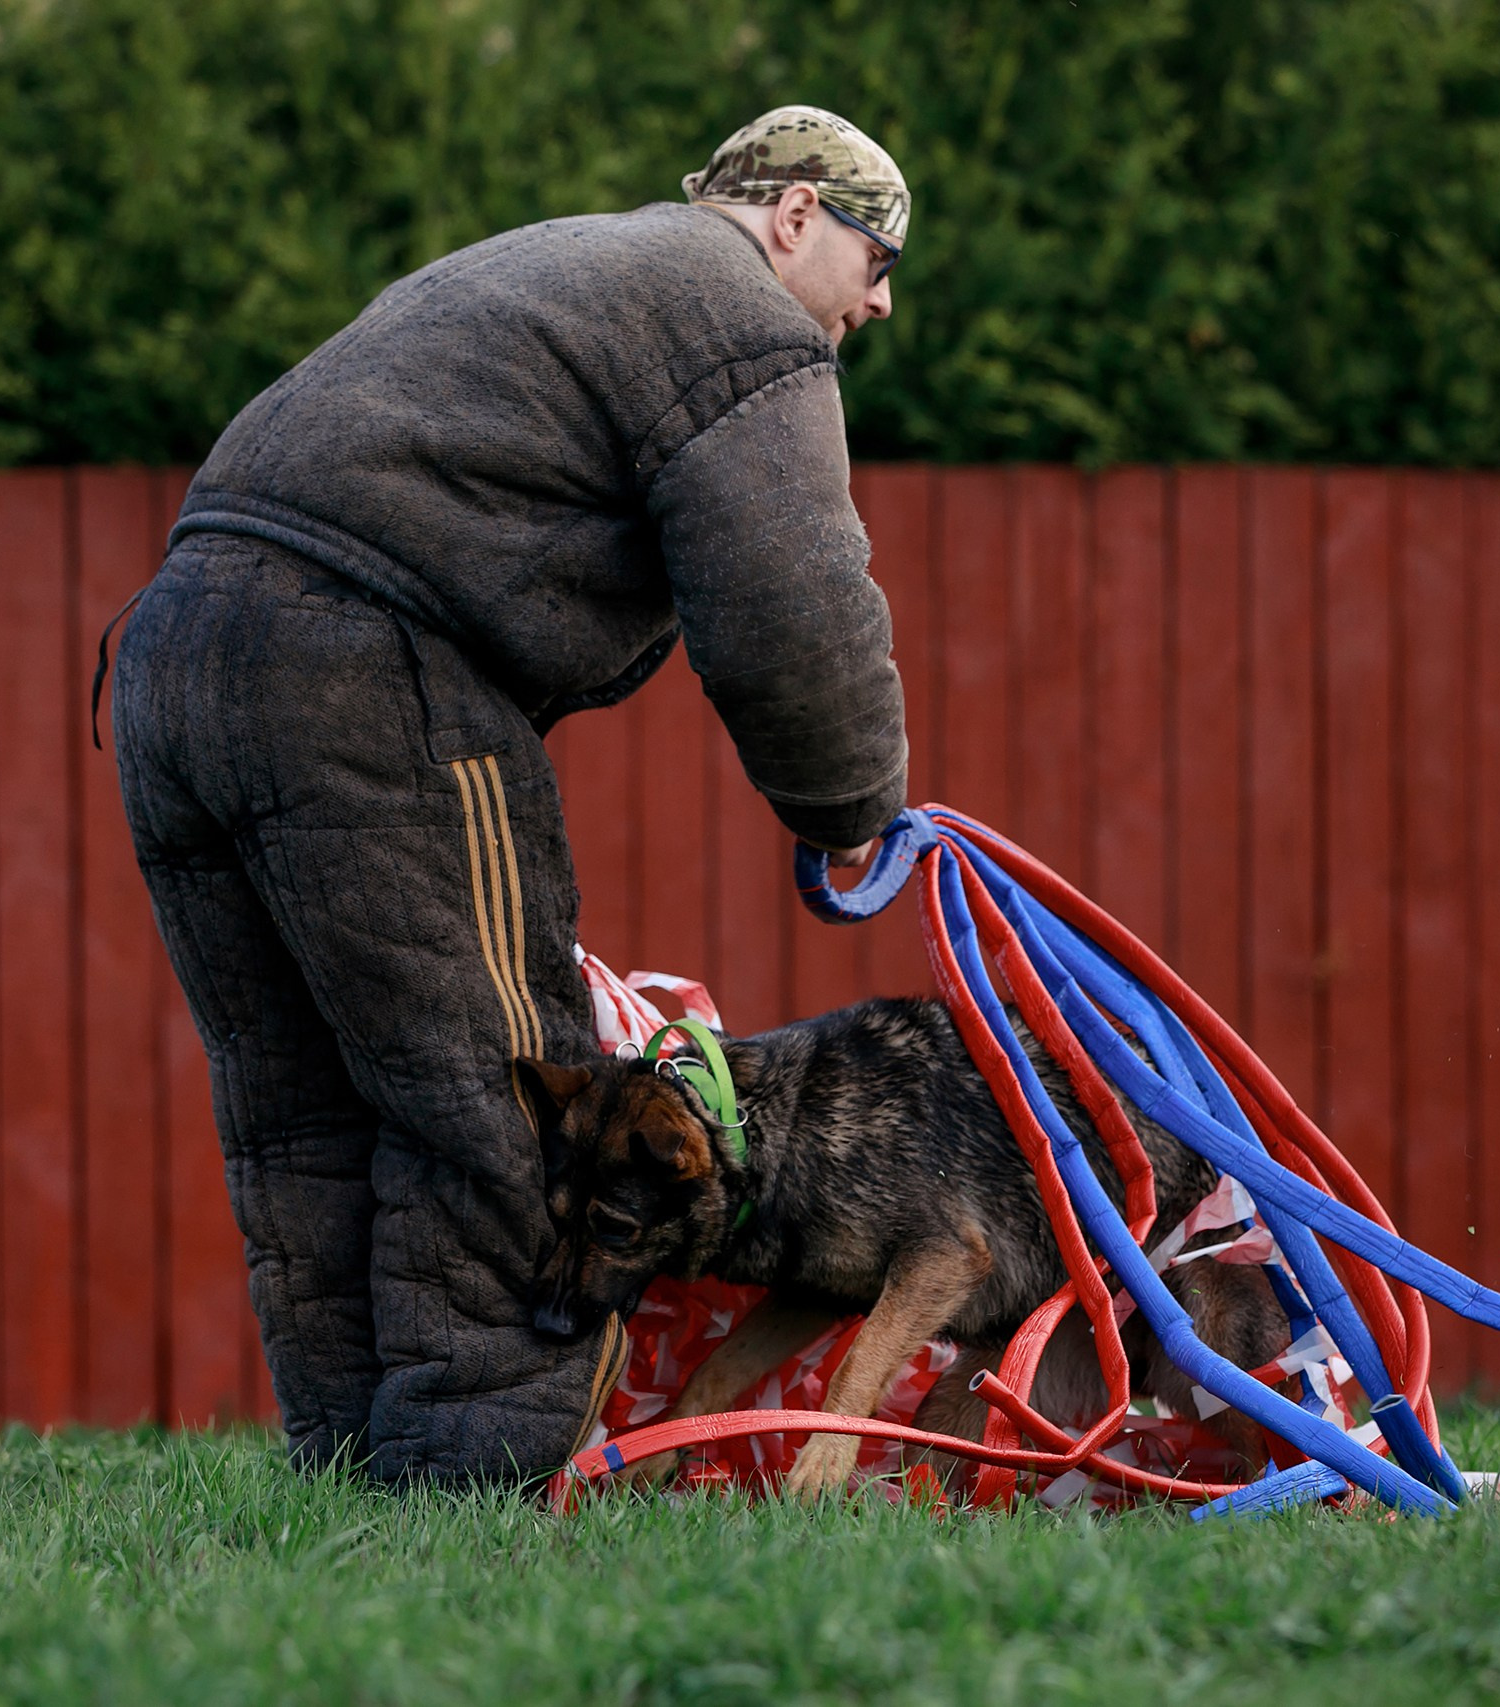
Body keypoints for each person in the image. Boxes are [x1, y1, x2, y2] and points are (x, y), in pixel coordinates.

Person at [109, 105, 914, 1485]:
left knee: (304, 1112)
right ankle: (470, 1488)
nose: (880, 300)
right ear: (793, 216)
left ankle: (357, 1480)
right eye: (875, 254)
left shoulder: (562, 263)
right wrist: (854, 808)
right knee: (510, 1099)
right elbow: (794, 603)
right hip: (361, 669)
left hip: (171, 654)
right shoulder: (737, 319)